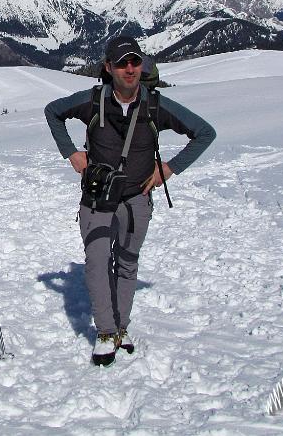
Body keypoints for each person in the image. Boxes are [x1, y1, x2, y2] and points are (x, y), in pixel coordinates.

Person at [44, 36, 215, 366]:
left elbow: (204, 132)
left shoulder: (155, 105)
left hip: (137, 198)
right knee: (96, 261)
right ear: (108, 68)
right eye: (121, 63)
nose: (129, 69)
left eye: (135, 62)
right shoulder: (93, 102)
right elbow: (53, 112)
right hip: (97, 197)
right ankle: (106, 331)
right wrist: (72, 155)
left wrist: (168, 169)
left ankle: (120, 328)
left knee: (126, 263)